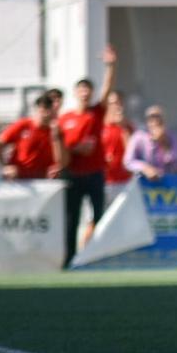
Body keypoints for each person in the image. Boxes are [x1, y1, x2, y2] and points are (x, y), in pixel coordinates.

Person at [57, 44, 118, 268]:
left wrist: (111, 65)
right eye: (81, 89)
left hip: (94, 174)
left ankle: (97, 255)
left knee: (99, 216)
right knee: (71, 219)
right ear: (75, 93)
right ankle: (70, 258)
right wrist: (75, 149)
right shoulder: (65, 119)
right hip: (73, 174)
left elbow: (108, 89)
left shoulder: (95, 113)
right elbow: (60, 146)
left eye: (88, 90)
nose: (85, 93)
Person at [0, 96, 64, 181]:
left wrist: (56, 168)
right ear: (37, 109)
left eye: (48, 108)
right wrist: (5, 167)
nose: (45, 112)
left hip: (43, 182)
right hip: (19, 181)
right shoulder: (23, 125)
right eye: (42, 108)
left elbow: (61, 160)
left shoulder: (55, 131)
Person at [126, 105, 177, 179]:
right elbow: (128, 161)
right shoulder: (139, 137)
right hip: (144, 184)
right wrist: (145, 168)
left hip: (167, 184)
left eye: (158, 117)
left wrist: (164, 143)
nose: (155, 121)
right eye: (151, 117)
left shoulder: (172, 137)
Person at [102, 93, 133, 187]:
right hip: (103, 180)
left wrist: (123, 127)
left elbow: (132, 153)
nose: (117, 106)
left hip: (124, 180)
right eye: (113, 103)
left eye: (119, 103)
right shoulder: (100, 127)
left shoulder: (128, 127)